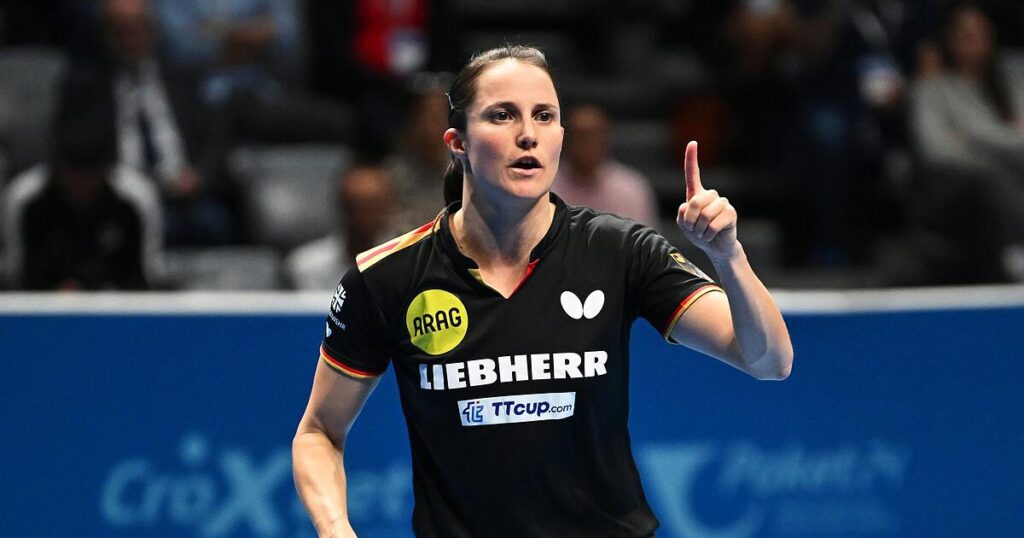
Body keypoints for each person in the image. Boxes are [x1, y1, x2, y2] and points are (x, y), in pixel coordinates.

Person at [292, 45, 792, 538]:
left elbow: (769, 360)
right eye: (502, 115)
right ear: (458, 142)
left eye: (544, 116)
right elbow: (319, 432)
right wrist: (335, 530)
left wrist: (728, 256)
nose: (528, 134)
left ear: (560, 137)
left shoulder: (619, 250)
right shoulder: (386, 277)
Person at [2, 79, 162, 290]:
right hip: (44, 304)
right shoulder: (25, 199)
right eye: (73, 172)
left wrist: (101, 291)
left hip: (116, 302)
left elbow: (146, 277)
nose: (80, 183)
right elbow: (17, 276)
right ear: (58, 167)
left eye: (88, 174)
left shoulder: (135, 199)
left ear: (104, 170)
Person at [909, 2, 1024, 282]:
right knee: (992, 181)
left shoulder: (1013, 83)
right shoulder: (931, 88)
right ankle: (1014, 256)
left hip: (1013, 179)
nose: (972, 41)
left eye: (979, 34)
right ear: (949, 39)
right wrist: (1005, 138)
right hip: (954, 191)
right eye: (964, 34)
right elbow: (937, 152)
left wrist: (970, 135)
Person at [284, 162, 400, 290]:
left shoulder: (407, 267)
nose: (364, 216)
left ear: (388, 208)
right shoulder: (306, 267)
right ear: (342, 206)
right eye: (355, 206)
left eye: (373, 206)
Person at [552, 103, 658, 226]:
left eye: (592, 135)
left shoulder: (631, 189)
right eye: (580, 136)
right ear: (564, 141)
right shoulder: (546, 188)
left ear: (605, 139)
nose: (586, 143)